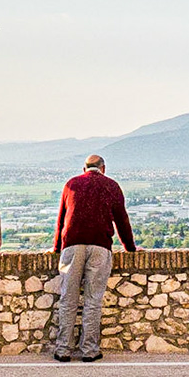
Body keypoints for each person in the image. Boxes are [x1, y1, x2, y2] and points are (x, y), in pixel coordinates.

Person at [50, 153, 135, 362]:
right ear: (103, 168)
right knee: (93, 300)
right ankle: (89, 349)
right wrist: (130, 248)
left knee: (68, 298)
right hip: (100, 246)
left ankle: (63, 349)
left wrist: (55, 248)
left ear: (84, 168)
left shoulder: (71, 184)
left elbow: (61, 219)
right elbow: (122, 220)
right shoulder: (112, 186)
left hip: (72, 245)